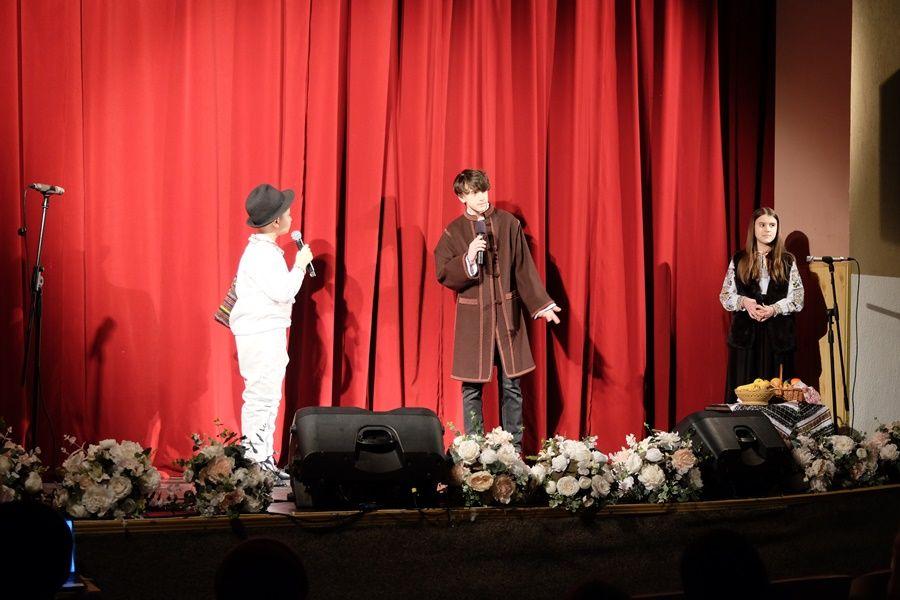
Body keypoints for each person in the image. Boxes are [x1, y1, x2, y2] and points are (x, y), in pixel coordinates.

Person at [434, 169, 561, 448]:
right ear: (461, 197)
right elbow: (442, 272)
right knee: (471, 388)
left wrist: (542, 305)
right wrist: (468, 258)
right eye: (473, 193)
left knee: (511, 387)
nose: (481, 197)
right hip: (474, 320)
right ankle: (475, 449)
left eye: (483, 191)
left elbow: (523, 269)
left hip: (506, 318)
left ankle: (512, 449)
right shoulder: (454, 231)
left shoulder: (508, 223)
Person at [229, 184, 313, 479]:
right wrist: (300, 266)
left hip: (264, 330)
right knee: (261, 397)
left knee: (266, 397)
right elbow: (283, 291)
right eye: (287, 213)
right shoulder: (263, 255)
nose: (291, 217)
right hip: (261, 332)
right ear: (276, 221)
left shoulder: (262, 251)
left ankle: (262, 459)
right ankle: (256, 461)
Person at [719, 207, 804, 403]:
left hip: (778, 339)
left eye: (772, 225)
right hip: (746, 338)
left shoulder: (787, 260)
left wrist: (774, 309)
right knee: (745, 390)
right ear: (753, 228)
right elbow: (725, 295)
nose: (767, 229)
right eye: (762, 225)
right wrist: (744, 302)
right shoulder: (739, 259)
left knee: (776, 392)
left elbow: (798, 298)